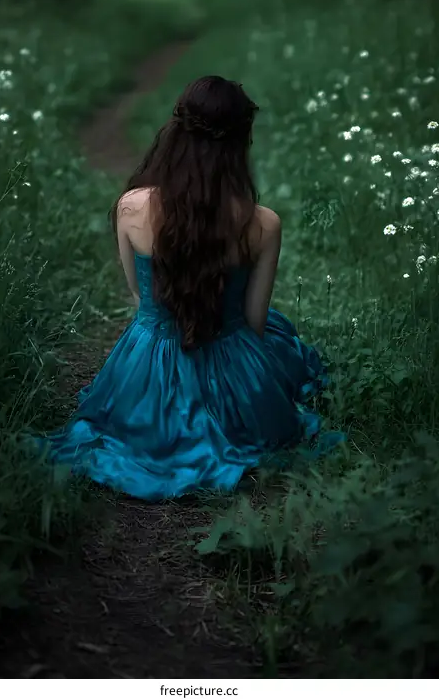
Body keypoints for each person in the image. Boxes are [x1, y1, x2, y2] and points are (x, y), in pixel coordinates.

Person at [37, 75, 345, 500]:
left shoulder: (131, 207)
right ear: (240, 143)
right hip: (234, 370)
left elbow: (140, 298)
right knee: (281, 338)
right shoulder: (264, 223)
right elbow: (253, 323)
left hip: (147, 370)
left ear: (177, 133)